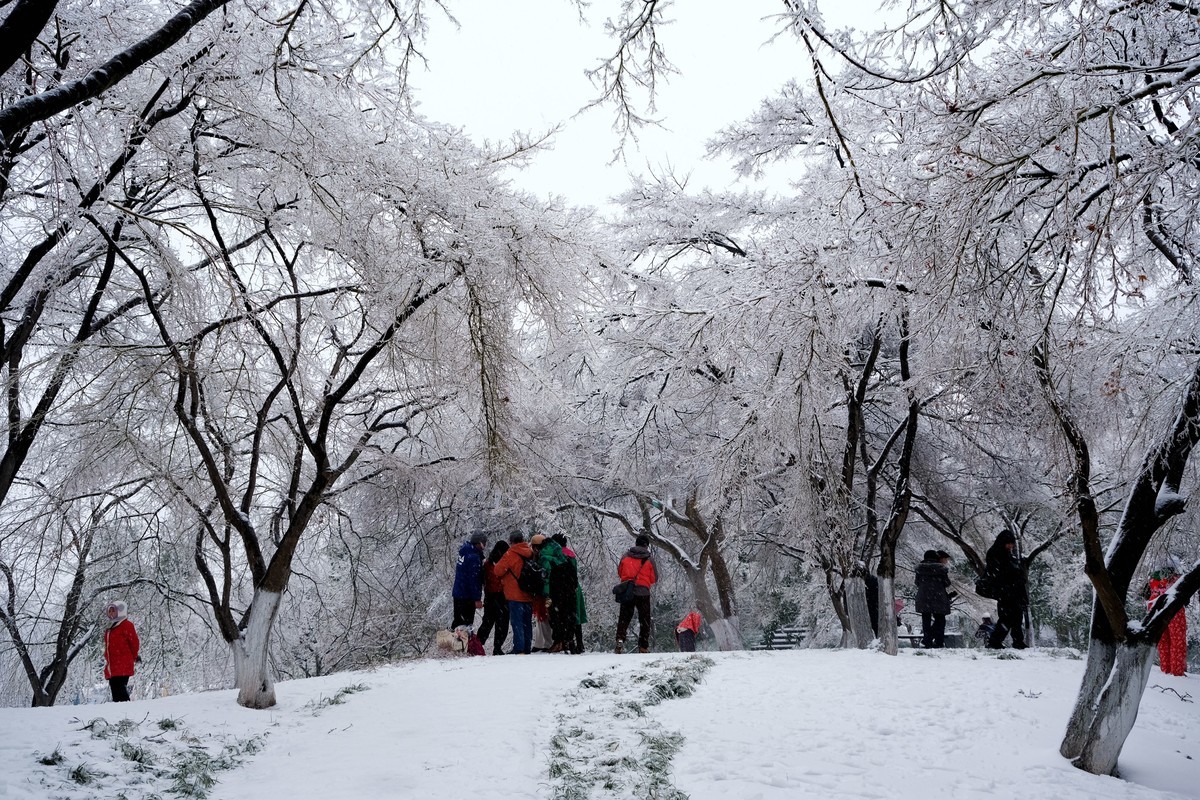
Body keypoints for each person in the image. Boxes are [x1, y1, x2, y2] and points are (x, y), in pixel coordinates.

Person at [615, 534, 658, 654]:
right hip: (643, 592)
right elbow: (655, 578)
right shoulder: (649, 558)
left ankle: (619, 639)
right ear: (646, 545)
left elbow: (620, 572)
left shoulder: (625, 556)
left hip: (627, 591)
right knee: (644, 619)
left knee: (624, 618)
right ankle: (643, 646)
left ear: (636, 543)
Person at [985, 530, 1028, 649]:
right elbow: (998, 573)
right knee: (1007, 617)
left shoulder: (1009, 554)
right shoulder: (996, 554)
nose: (1011, 546)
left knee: (1016, 617)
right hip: (1005, 591)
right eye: (1008, 543)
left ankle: (1017, 640)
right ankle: (996, 641)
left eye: (1012, 543)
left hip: (1012, 591)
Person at [495, 531, 536, 654]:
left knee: (517, 622)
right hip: (528, 592)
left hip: (515, 593)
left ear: (511, 541)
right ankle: (527, 646)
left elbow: (498, 570)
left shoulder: (510, 554)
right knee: (526, 622)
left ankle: (519, 648)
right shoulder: (530, 552)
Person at [538, 534, 578, 653]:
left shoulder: (545, 558)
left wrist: (545, 594)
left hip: (554, 592)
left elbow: (545, 578)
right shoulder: (563, 557)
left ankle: (558, 641)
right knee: (569, 615)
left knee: (554, 616)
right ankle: (569, 640)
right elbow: (574, 575)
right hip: (568, 590)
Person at [1147, 565, 1188, 676]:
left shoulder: (1153, 579)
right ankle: (1177, 672)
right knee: (1177, 641)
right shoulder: (1175, 579)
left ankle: (1166, 669)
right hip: (1173, 606)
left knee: (1163, 641)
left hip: (1155, 606)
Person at [553, 533, 587, 654]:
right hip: (575, 587)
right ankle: (580, 643)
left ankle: (566, 641)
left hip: (563, 588)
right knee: (575, 616)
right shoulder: (571, 554)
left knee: (563, 616)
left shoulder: (557, 555)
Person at [477, 540, 510, 655]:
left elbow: (483, 580)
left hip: (490, 596)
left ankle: (478, 644)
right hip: (502, 596)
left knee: (487, 622)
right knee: (502, 623)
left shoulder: (487, 564)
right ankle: (497, 647)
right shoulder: (505, 563)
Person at [103, 600, 140, 702]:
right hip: (112, 665)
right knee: (115, 689)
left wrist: (134, 656)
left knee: (120, 689)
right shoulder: (110, 628)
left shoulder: (126, 625)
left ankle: (126, 712)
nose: (110, 613)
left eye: (113, 611)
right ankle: (119, 712)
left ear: (120, 611)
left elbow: (134, 642)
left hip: (122, 664)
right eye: (109, 611)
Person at [914, 550, 952, 648]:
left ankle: (927, 641)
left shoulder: (919, 569)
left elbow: (917, 583)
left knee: (925, 619)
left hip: (923, 597)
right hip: (938, 597)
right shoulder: (941, 569)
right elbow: (947, 583)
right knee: (940, 619)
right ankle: (938, 641)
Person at [451, 530, 488, 630]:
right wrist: (477, 599)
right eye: (484, 543)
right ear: (479, 543)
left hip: (458, 593)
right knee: (465, 627)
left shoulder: (464, 551)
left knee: (458, 623)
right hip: (467, 596)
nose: (484, 545)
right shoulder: (473, 558)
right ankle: (463, 644)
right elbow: (474, 579)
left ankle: (456, 642)